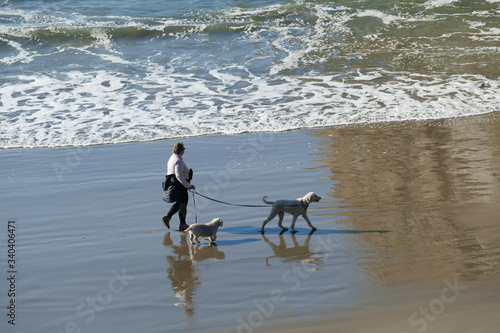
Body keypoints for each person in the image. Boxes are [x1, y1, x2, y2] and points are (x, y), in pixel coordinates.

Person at [162, 142, 194, 231]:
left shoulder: (172, 158)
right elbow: (179, 176)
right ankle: (182, 224)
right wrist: (188, 185)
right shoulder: (178, 161)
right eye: (184, 149)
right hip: (179, 185)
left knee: (180, 204)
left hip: (175, 184)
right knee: (183, 204)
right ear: (182, 150)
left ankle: (168, 217)